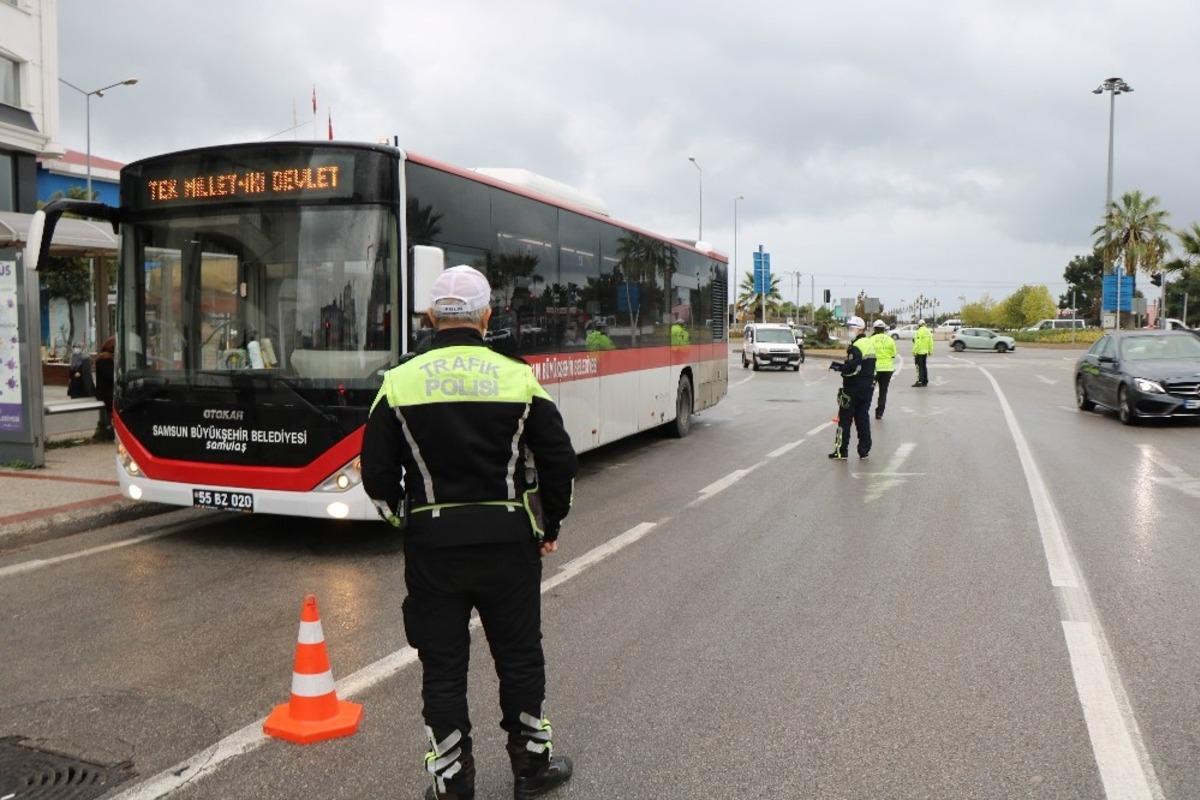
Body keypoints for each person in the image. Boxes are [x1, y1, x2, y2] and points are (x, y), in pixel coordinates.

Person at [362, 265, 577, 800]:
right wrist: (548, 524)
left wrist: (406, 520)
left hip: (434, 548)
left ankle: (453, 782)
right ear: (486, 316)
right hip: (509, 544)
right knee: (520, 657)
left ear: (430, 316)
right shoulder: (518, 377)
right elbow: (559, 461)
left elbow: (377, 477)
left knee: (443, 667)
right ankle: (532, 769)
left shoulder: (398, 382)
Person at [828, 316, 876, 460]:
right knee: (863, 418)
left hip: (853, 387)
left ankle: (841, 451)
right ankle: (864, 450)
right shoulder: (869, 343)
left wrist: (838, 367)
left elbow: (852, 368)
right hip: (867, 387)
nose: (849, 331)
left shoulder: (856, 347)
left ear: (859, 329)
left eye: (851, 328)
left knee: (844, 420)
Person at [868, 320, 896, 420]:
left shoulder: (870, 340)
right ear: (884, 329)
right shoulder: (890, 340)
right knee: (883, 392)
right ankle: (879, 413)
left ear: (874, 329)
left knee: (868, 391)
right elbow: (893, 355)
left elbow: (867, 354)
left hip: (874, 369)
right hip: (887, 369)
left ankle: (864, 411)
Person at [94, 336, 115, 440]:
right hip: (107, 393)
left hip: (105, 392)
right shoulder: (105, 360)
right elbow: (110, 376)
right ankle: (110, 430)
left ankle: (110, 429)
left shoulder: (103, 358)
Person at [912, 319, 934, 387]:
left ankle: (919, 381)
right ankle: (925, 381)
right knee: (924, 366)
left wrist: (914, 351)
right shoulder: (928, 331)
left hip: (919, 352)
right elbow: (931, 342)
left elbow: (917, 343)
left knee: (919, 367)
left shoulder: (919, 331)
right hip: (925, 352)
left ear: (919, 325)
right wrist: (930, 351)